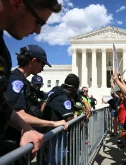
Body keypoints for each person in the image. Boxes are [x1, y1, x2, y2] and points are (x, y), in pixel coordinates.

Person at [0, 0, 62, 156]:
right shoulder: (16, 76)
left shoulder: (4, 53)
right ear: (17, 3)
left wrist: (26, 129)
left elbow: (3, 104)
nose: (38, 31)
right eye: (39, 22)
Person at [4, 45, 68, 149]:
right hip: (10, 141)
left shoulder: (24, 82)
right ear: (34, 61)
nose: (42, 69)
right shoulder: (16, 81)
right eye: (42, 64)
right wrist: (52, 123)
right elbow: (18, 115)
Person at [42, 73, 88, 164]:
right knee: (56, 159)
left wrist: (83, 108)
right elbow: (70, 120)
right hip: (54, 134)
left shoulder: (56, 90)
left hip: (48, 132)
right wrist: (80, 122)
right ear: (72, 89)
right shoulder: (63, 98)